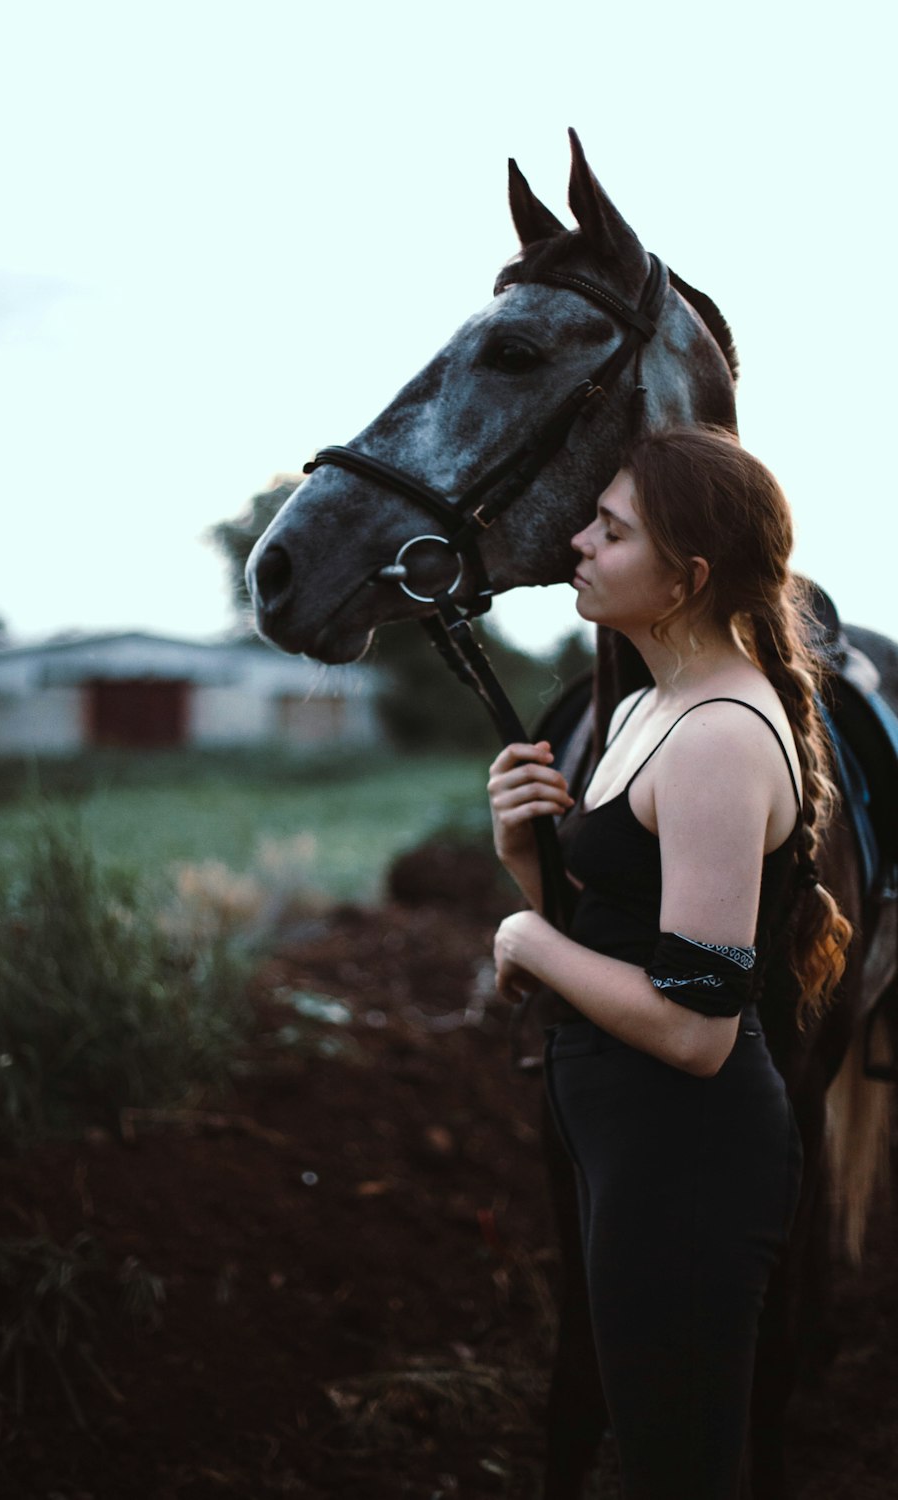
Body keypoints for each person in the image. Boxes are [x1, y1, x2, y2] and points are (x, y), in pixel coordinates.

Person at [486, 426, 851, 1499]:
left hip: (686, 1161)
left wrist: (523, 939)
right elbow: (621, 935)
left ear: (686, 577)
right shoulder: (649, 708)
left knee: (677, 1469)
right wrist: (525, 859)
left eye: (610, 530)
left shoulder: (718, 739)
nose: (575, 545)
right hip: (630, 1146)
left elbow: (695, 1030)